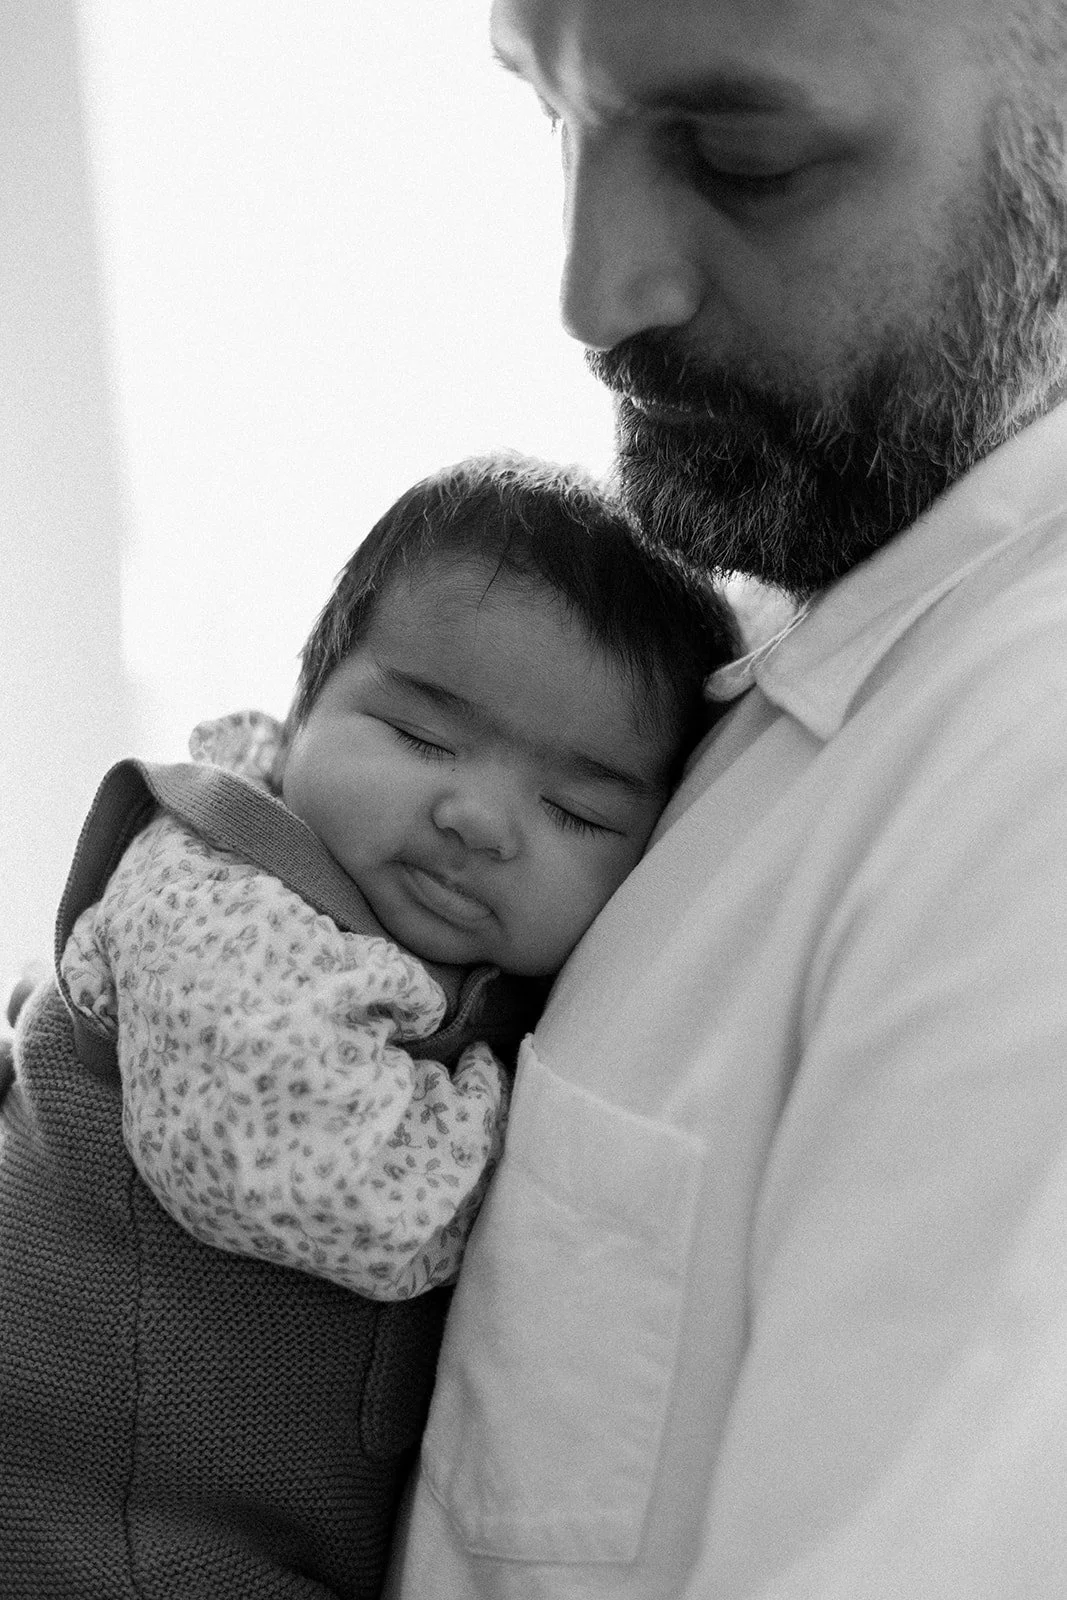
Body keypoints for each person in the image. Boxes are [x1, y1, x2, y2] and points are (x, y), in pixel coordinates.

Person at [387, 3, 1067, 1597]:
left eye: (737, 156)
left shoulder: (1026, 803)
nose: (587, 293)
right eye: (552, 117)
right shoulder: (800, 604)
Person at [0, 453, 737, 1598]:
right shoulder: (222, 887)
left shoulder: (408, 946)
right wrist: (524, 1106)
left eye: (574, 810)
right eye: (423, 738)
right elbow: (310, 1170)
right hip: (90, 1514)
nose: (477, 817)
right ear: (302, 711)